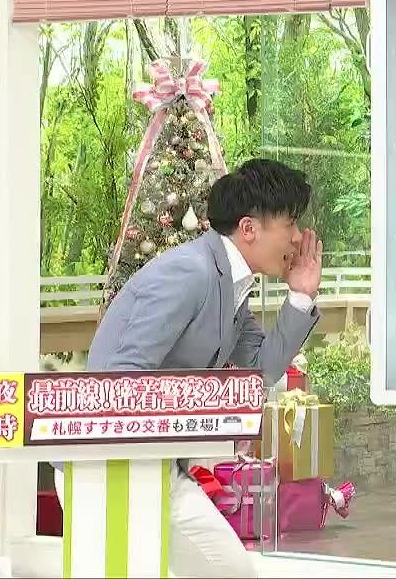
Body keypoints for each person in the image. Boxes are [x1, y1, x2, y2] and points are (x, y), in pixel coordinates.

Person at [58, 158, 323, 578]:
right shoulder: (191, 272)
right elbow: (121, 375)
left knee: (232, 571)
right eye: (289, 223)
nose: (296, 237)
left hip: (155, 465)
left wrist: (301, 297)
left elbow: (260, 371)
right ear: (249, 228)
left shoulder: (229, 285)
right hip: (111, 468)